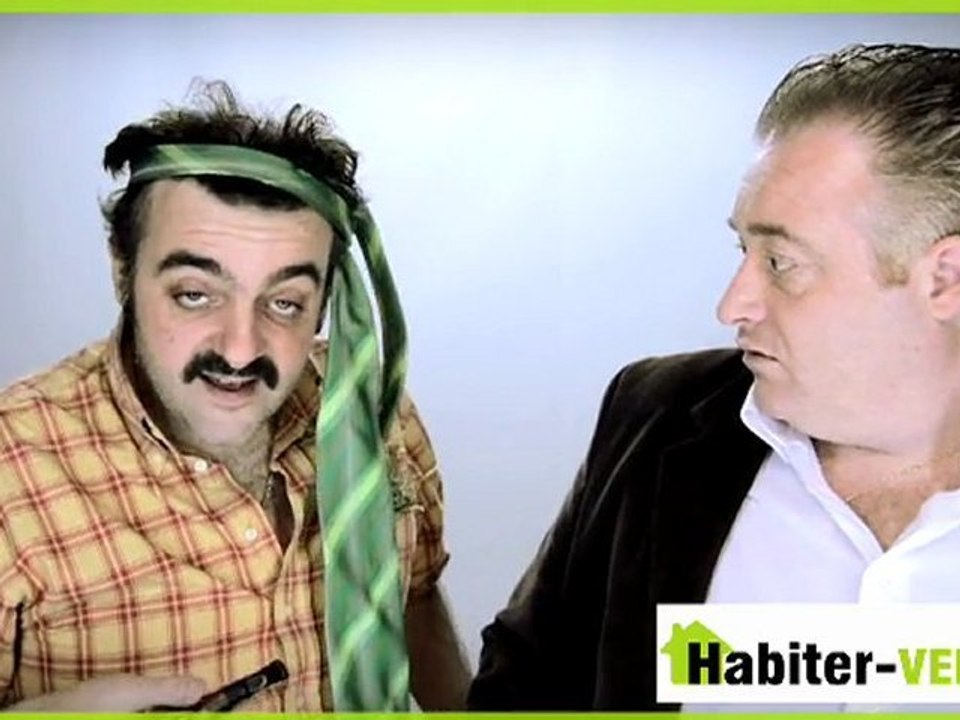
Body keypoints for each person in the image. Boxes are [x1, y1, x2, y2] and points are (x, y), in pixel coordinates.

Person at [469, 42, 960, 710]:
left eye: (781, 262)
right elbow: (527, 681)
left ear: (944, 279)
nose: (732, 305)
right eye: (743, 249)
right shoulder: (655, 419)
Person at [0, 81, 471, 711]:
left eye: (285, 302)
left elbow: (412, 598)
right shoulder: (11, 472)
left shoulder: (377, 419)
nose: (242, 349)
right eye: (195, 294)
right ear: (123, 271)